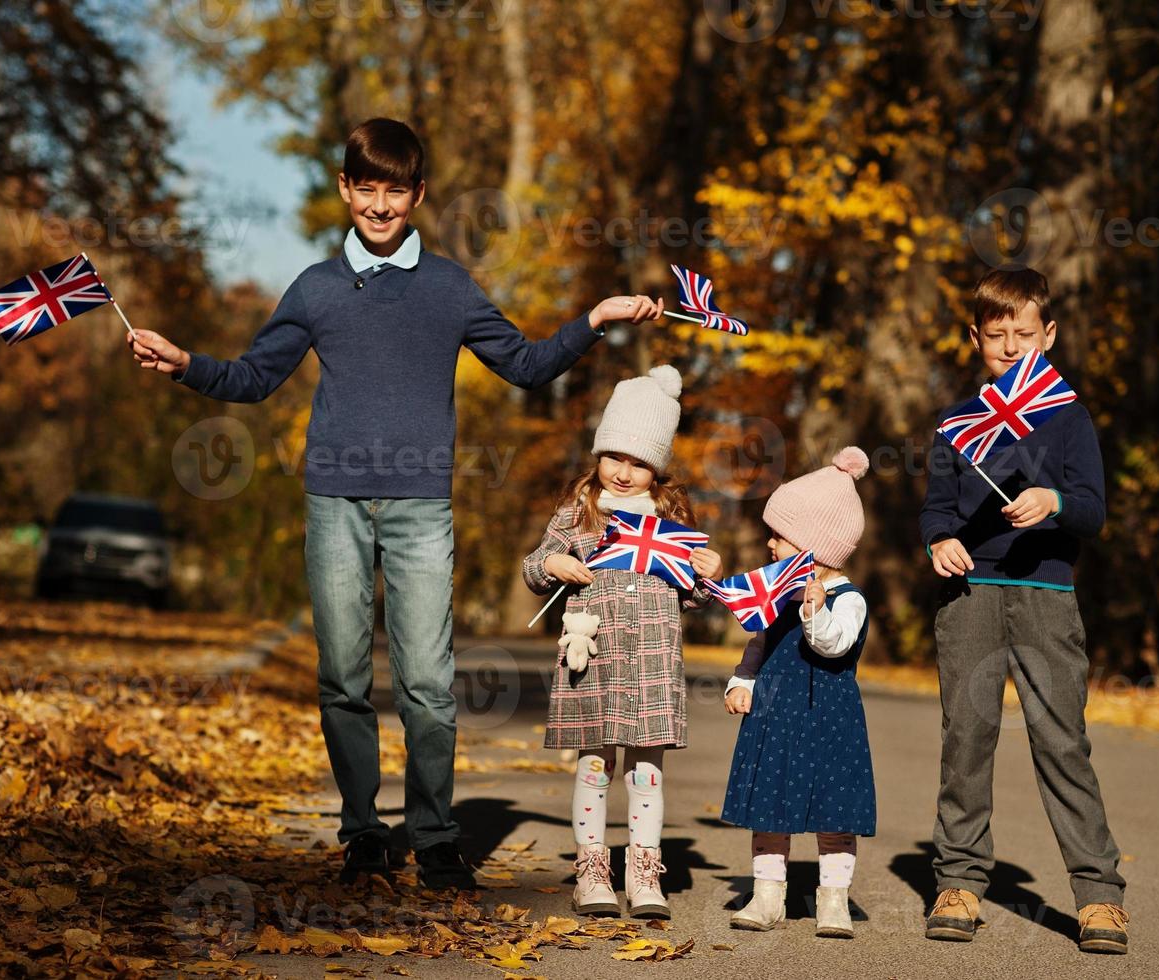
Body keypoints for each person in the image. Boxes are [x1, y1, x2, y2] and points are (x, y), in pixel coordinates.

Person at [128, 117, 664, 890]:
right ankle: (362, 832)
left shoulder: (446, 286)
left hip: (419, 509)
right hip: (334, 505)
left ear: (417, 194)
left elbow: (524, 364)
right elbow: (252, 377)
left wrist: (594, 321)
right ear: (345, 189)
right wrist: (185, 365)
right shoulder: (314, 288)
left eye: (395, 191)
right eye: (365, 189)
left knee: (426, 682)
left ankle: (437, 833)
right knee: (343, 675)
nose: (379, 206)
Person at [919, 266, 1128, 953]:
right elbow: (937, 511)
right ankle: (957, 882)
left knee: (1061, 742)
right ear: (974, 337)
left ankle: (1098, 895)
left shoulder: (1067, 415)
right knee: (966, 738)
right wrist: (939, 541)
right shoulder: (956, 424)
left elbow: (1093, 511)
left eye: (1024, 335)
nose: (1010, 348)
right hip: (969, 595)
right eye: (996, 335)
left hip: (1045, 594)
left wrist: (1054, 503)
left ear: (1049, 334)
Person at [522, 366, 723, 920]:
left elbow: (690, 596)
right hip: (595, 658)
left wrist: (706, 575)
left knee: (646, 772)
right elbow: (535, 565)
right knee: (593, 765)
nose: (625, 473)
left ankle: (643, 869)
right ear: (599, 453)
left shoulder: (670, 519)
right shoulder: (579, 511)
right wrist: (555, 563)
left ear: (657, 466)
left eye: (640, 463)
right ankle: (592, 868)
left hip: (652, 661)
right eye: (616, 457)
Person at [721, 448, 875, 937]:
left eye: (780, 535)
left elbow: (834, 645)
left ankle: (833, 900)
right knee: (771, 803)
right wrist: (743, 680)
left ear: (813, 546)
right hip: (775, 710)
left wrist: (815, 611)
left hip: (829, 715)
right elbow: (760, 642)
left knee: (834, 807)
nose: (769, 543)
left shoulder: (849, 599)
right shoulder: (777, 591)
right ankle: (768, 896)